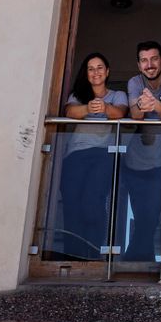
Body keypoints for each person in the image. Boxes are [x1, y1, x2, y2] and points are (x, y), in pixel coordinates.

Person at [53, 53, 127, 260]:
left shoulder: (117, 94)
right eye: (91, 68)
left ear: (108, 71)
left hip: (103, 154)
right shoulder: (78, 95)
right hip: (75, 155)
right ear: (86, 74)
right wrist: (87, 108)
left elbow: (121, 113)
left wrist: (104, 107)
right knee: (72, 206)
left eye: (100, 67)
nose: (96, 72)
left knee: (93, 202)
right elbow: (69, 112)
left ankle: (93, 255)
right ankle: (73, 258)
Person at [119, 40, 161, 261]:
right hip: (135, 163)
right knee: (143, 216)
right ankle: (140, 261)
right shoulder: (135, 81)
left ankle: (135, 260)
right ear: (139, 65)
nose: (150, 65)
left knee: (152, 216)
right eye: (144, 60)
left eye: (154, 59)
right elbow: (134, 114)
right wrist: (145, 106)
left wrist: (154, 105)